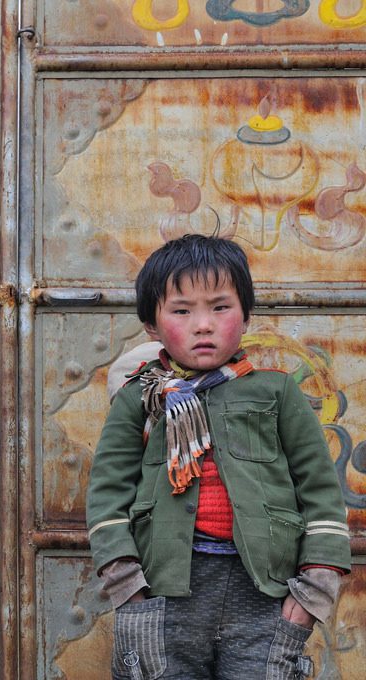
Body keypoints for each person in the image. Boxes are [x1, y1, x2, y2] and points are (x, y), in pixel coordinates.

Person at [86, 234, 351, 679]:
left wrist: (312, 594)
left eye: (220, 307)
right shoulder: (142, 398)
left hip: (264, 594)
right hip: (164, 593)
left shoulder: (277, 391)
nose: (203, 324)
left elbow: (321, 493)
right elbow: (107, 495)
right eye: (182, 310)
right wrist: (128, 589)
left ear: (246, 315)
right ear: (152, 325)